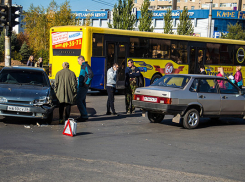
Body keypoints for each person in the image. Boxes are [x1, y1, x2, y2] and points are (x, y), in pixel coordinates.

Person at [76, 55, 94, 122]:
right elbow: (84, 75)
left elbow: (91, 74)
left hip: (83, 86)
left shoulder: (85, 66)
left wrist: (87, 82)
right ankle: (84, 115)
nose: (78, 62)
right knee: (82, 100)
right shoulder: (83, 66)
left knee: (79, 100)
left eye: (78, 61)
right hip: (82, 85)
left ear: (81, 60)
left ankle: (84, 115)